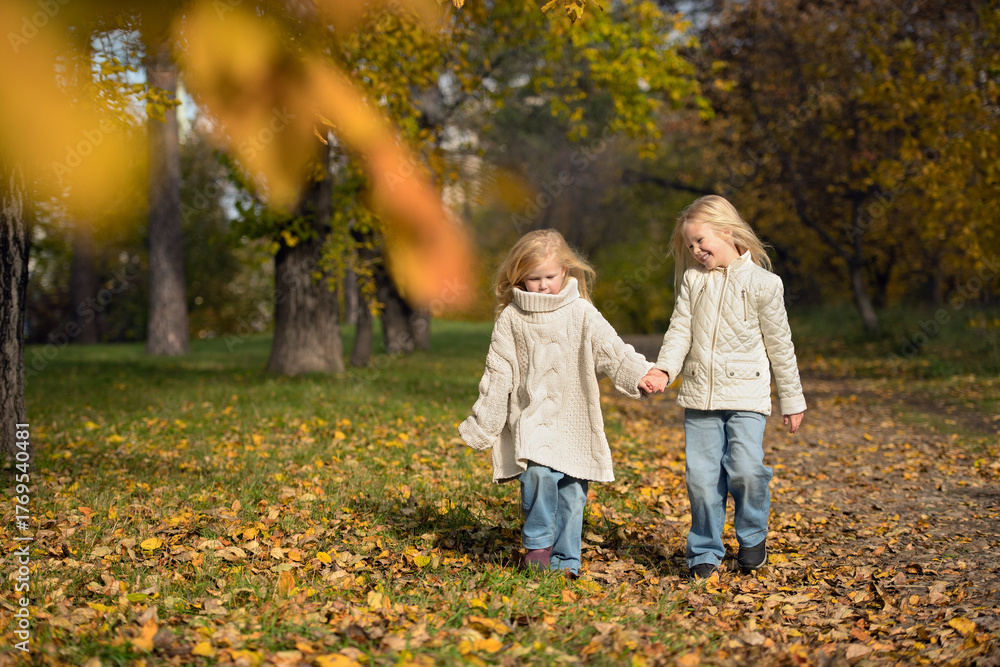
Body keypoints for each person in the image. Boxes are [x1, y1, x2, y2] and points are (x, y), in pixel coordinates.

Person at [459, 229, 663, 576]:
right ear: (519, 278)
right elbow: (498, 373)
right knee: (537, 475)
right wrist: (482, 424)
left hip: (575, 419)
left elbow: (611, 350)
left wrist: (640, 374)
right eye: (533, 278)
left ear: (566, 272)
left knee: (572, 492)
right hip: (532, 420)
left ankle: (566, 561)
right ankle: (538, 544)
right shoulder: (512, 318)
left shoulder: (582, 313)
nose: (542, 285)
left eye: (549, 277)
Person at [642, 195, 806, 580]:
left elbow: (780, 345)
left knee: (746, 471)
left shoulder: (764, 284)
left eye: (701, 241)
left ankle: (752, 536)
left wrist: (792, 398)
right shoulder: (693, 282)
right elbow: (680, 330)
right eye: (690, 246)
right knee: (701, 478)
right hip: (700, 397)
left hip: (747, 396)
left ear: (727, 231)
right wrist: (665, 369)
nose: (696, 251)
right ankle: (704, 549)